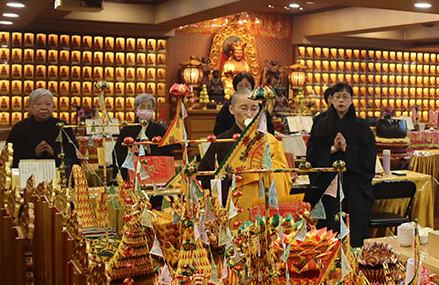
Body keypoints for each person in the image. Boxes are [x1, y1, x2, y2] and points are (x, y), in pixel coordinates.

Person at [198, 89, 291, 220]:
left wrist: (258, 172)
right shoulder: (222, 141)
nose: (249, 114)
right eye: (243, 108)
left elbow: (284, 175)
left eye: (254, 109)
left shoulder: (269, 140)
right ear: (231, 109)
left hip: (264, 209)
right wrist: (226, 178)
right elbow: (204, 178)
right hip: (234, 211)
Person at [307, 83, 377, 248]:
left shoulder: (361, 125)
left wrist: (347, 150)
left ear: (351, 100)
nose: (341, 100)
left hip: (354, 185)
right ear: (331, 99)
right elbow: (312, 152)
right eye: (337, 97)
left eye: (345, 97)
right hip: (327, 184)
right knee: (328, 225)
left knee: (352, 227)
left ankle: (353, 257)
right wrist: (331, 150)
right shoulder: (320, 123)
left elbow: (369, 155)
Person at [5, 88, 79, 169]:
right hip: (28, 170)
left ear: (53, 106)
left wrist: (55, 153)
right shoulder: (20, 127)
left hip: (57, 171)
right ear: (31, 107)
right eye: (38, 104)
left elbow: (74, 154)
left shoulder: (62, 126)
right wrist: (33, 153)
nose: (44, 107)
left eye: (48, 104)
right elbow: (10, 155)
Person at [112, 93, 177, 179]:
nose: (146, 110)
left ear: (153, 109)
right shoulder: (128, 129)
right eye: (142, 107)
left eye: (149, 107)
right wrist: (129, 152)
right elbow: (116, 153)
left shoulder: (159, 129)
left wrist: (150, 150)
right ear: (136, 109)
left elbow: (167, 152)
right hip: (132, 173)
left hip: (154, 173)